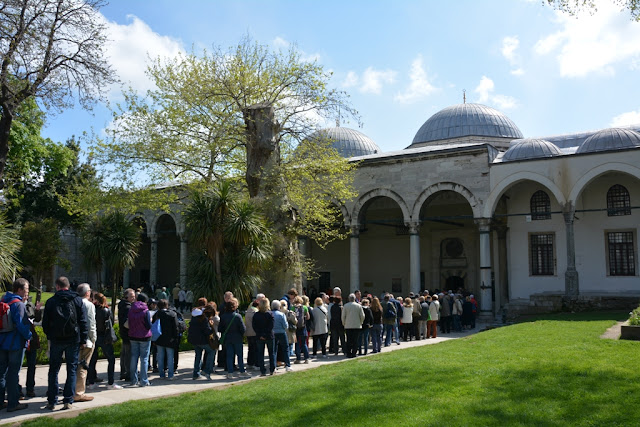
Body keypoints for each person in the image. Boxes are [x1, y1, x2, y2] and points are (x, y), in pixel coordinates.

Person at [42, 276, 88, 411]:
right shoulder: (77, 300)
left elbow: (45, 323)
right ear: (68, 286)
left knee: (54, 370)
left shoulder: (51, 301)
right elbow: (83, 322)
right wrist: (83, 339)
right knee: (72, 369)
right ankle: (68, 400)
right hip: (73, 339)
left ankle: (52, 400)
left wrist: (49, 335)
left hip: (56, 339)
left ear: (57, 286)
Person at [0, 278, 32, 413]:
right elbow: (20, 324)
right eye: (26, 289)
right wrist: (29, 335)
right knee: (13, 373)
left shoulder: (4, 300)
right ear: (19, 289)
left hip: (2, 342)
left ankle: (1, 401)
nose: (27, 292)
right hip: (15, 343)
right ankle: (13, 403)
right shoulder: (18, 304)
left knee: (1, 372)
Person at [88, 293, 122, 390]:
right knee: (111, 359)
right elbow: (110, 323)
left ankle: (91, 382)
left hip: (95, 336)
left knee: (92, 360)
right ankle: (110, 382)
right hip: (105, 337)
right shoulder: (106, 311)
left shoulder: (93, 309)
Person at [74, 283, 96, 403]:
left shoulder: (74, 302)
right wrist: (93, 339)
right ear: (87, 293)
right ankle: (79, 393)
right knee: (82, 367)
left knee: (73, 367)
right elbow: (91, 324)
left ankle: (72, 390)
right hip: (85, 340)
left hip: (74, 339)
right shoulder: (89, 305)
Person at [218, 298, 249, 380]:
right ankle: (242, 371)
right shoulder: (237, 316)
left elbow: (220, 329)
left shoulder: (223, 316)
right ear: (234, 307)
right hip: (237, 338)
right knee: (239, 355)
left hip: (227, 338)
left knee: (229, 356)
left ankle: (230, 372)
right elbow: (243, 329)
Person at [128, 293, 152, 387]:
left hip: (133, 335)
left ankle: (133, 380)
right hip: (144, 336)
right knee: (144, 359)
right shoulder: (146, 311)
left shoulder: (131, 309)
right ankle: (144, 380)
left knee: (133, 358)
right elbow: (148, 325)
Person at [188, 304, 217, 380]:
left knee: (198, 356)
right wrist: (211, 326)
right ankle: (207, 371)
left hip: (194, 340)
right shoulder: (204, 319)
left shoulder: (195, 316)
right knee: (212, 351)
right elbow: (207, 331)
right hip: (202, 340)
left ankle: (196, 374)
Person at [21, 293, 42, 399]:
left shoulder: (30, 305)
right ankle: (17, 389)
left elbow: (37, 319)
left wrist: (38, 310)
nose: (26, 296)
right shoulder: (17, 305)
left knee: (31, 366)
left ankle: (30, 389)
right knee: (17, 367)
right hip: (20, 340)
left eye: (27, 293)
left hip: (31, 340)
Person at [152, 299, 179, 380]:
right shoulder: (172, 314)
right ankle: (170, 375)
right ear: (167, 305)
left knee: (160, 357)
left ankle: (161, 374)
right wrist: (175, 338)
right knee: (170, 357)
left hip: (159, 339)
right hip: (169, 339)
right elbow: (176, 327)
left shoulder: (156, 314)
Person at [252, 298, 275, 376]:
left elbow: (254, 326)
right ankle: (272, 369)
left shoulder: (256, 315)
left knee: (260, 354)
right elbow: (271, 326)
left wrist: (260, 335)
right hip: (269, 336)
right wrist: (265, 334)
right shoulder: (270, 314)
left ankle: (263, 371)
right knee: (271, 353)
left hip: (259, 336)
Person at [118, 288, 135, 381]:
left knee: (124, 354)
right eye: (131, 296)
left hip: (123, 332)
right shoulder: (128, 307)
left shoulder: (122, 304)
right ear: (126, 297)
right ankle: (128, 373)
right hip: (128, 333)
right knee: (128, 354)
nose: (133, 298)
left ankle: (123, 372)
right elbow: (127, 322)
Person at [341, 293, 365, 358]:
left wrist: (344, 323)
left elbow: (343, 316)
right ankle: (354, 353)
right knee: (355, 340)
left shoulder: (345, 306)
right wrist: (361, 322)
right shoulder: (359, 306)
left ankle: (348, 353)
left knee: (349, 340)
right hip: (357, 325)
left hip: (348, 325)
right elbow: (362, 316)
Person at [272, 300, 292, 372]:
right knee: (285, 348)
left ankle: (273, 366)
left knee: (274, 350)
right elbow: (285, 326)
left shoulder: (270, 314)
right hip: (281, 332)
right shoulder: (281, 314)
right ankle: (287, 365)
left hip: (273, 333)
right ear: (279, 307)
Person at [244, 298, 259, 371]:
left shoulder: (247, 312)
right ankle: (255, 363)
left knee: (250, 348)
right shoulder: (255, 312)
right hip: (254, 332)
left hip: (248, 332)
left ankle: (249, 363)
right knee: (256, 349)